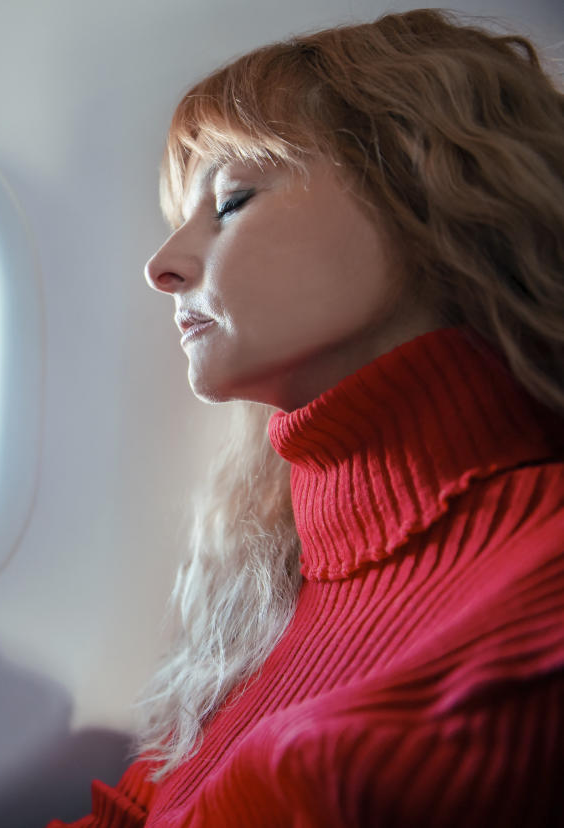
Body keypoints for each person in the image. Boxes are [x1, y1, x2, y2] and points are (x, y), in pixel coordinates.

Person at [50, 9, 564, 827]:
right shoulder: (281, 573)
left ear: (427, 192)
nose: (163, 266)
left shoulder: (537, 591)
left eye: (232, 201)